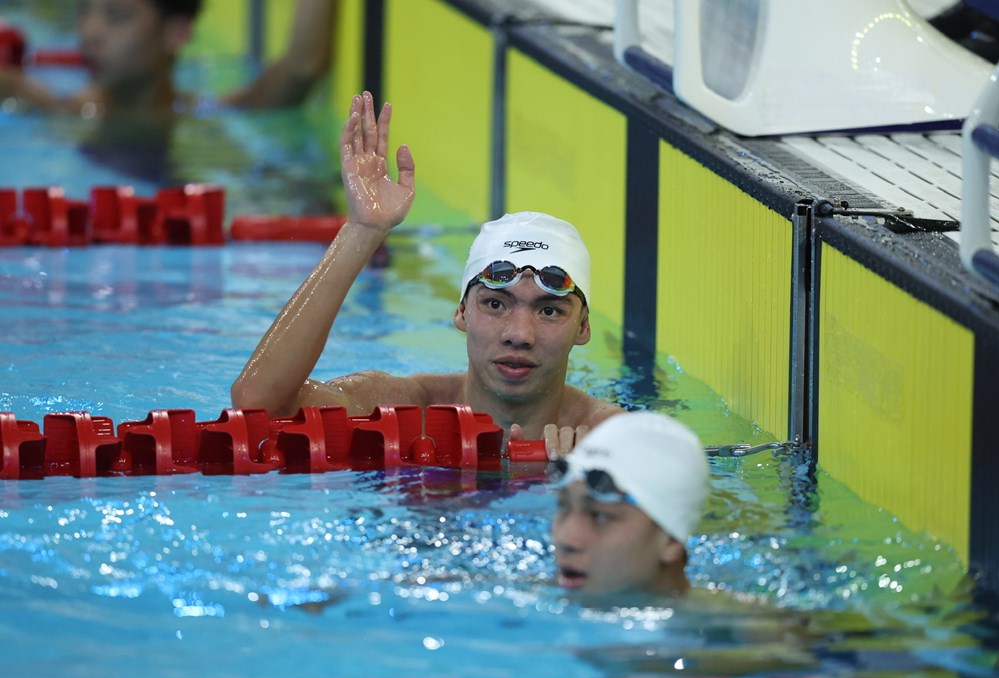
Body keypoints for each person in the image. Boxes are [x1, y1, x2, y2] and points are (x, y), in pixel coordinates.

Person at [230, 90, 624, 457]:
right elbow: (259, 405)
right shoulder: (402, 410)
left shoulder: (612, 439)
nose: (519, 334)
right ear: (461, 312)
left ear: (584, 326)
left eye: (549, 311)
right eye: (495, 303)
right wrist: (363, 231)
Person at [0, 0, 336, 115]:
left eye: (116, 17)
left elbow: (302, 67)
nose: (90, 33)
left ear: (175, 32)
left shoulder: (203, 112)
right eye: (85, 12)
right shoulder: (52, 108)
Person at [549, 411, 710, 598]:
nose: (565, 539)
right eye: (563, 505)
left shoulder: (734, 624)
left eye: (599, 516)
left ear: (670, 539)